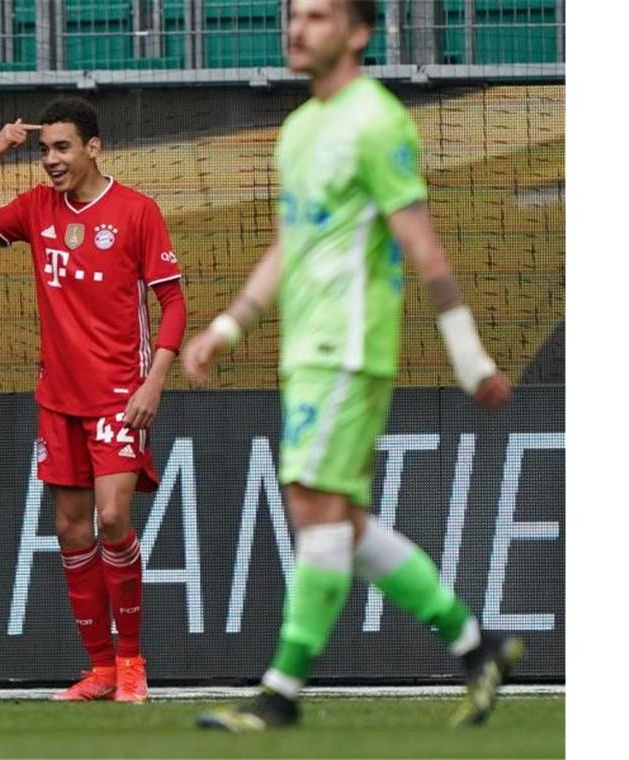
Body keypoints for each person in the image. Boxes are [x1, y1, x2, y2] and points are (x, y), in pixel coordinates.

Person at [183, 0, 523, 731]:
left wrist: (468, 356)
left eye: (316, 16)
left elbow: (421, 244)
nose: (296, 29)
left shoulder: (376, 121)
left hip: (350, 345)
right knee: (341, 519)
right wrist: (226, 326)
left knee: (311, 501)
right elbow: (289, 244)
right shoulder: (298, 130)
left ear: (358, 32)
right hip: (304, 349)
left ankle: (280, 693)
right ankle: (477, 644)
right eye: (292, 16)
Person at [0, 98, 188, 703]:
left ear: (93, 148)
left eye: (62, 148)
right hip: (59, 398)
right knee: (71, 530)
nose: (50, 160)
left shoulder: (137, 211)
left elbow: (174, 304)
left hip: (118, 396)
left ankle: (132, 662)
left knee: (112, 519)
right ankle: (100, 667)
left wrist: (153, 381)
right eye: (44, 149)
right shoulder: (35, 208)